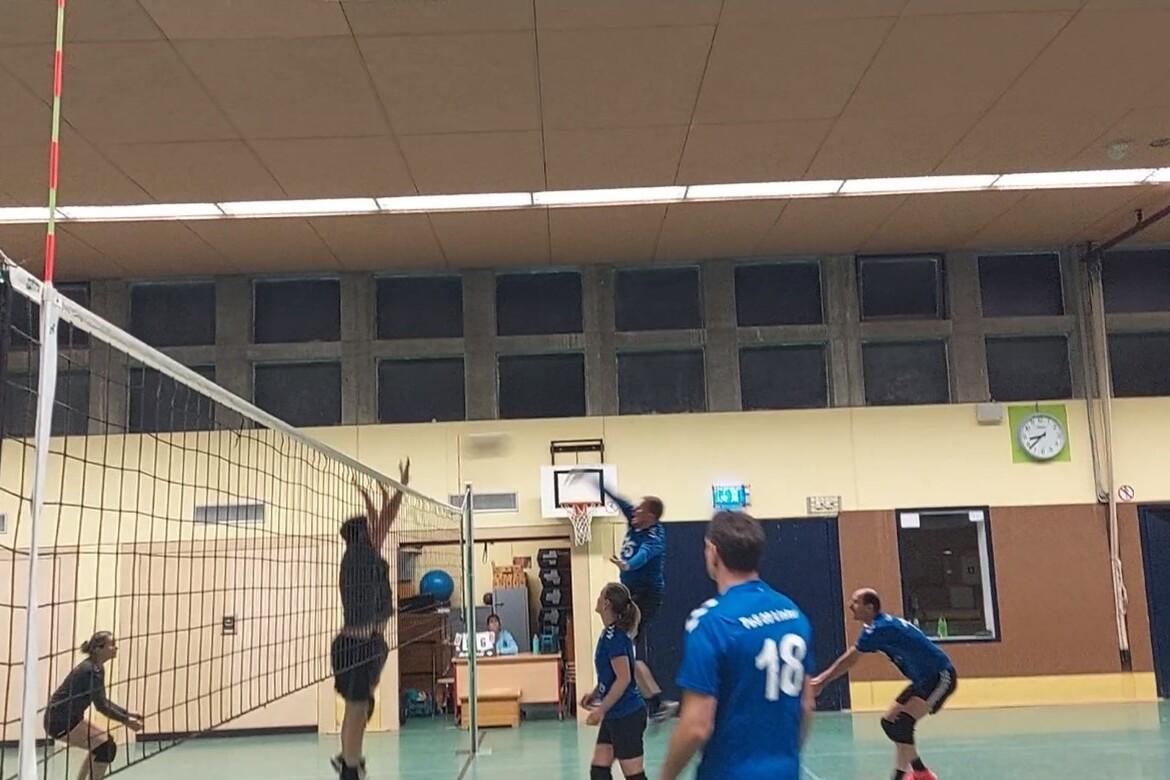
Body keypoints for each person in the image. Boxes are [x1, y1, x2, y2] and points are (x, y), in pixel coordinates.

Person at [661, 511, 815, 780]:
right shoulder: (793, 613)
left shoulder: (710, 622)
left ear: (713, 552)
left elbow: (697, 726)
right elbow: (805, 705)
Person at [811, 588, 957, 780]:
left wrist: (822, 680)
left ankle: (920, 773)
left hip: (939, 677)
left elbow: (851, 659)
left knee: (903, 724)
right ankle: (914, 774)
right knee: (890, 722)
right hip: (923, 679)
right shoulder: (878, 626)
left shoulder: (879, 629)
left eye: (856, 602)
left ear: (870, 607)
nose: (850, 605)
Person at [330, 459, 409, 780]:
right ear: (360, 535)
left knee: (360, 705)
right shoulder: (359, 556)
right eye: (368, 526)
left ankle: (348, 758)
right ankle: (350, 767)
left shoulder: (366, 552)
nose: (375, 528)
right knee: (358, 707)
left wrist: (395, 490)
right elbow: (383, 521)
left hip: (371, 644)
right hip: (355, 646)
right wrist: (384, 495)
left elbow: (383, 520)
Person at [599, 482, 677, 722]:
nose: (635, 513)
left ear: (651, 518)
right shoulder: (634, 516)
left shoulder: (655, 538)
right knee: (626, 649)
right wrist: (597, 484)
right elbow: (620, 500)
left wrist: (627, 565)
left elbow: (644, 555)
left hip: (646, 594)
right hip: (631, 591)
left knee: (625, 646)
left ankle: (656, 702)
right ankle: (656, 702)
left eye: (641, 511)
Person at [43, 631, 143, 780]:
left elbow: (103, 700)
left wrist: (127, 713)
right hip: (60, 722)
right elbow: (101, 706)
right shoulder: (91, 670)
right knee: (105, 748)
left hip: (68, 718)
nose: (116, 648)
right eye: (112, 645)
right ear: (98, 649)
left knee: (103, 744)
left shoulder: (95, 667)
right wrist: (126, 721)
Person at [580, 582, 647, 780]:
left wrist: (600, 710)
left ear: (607, 603)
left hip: (627, 715)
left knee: (634, 775)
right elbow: (610, 675)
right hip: (615, 714)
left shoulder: (615, 638)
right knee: (599, 771)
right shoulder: (609, 634)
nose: (598, 599)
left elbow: (624, 678)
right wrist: (595, 694)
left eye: (601, 595)